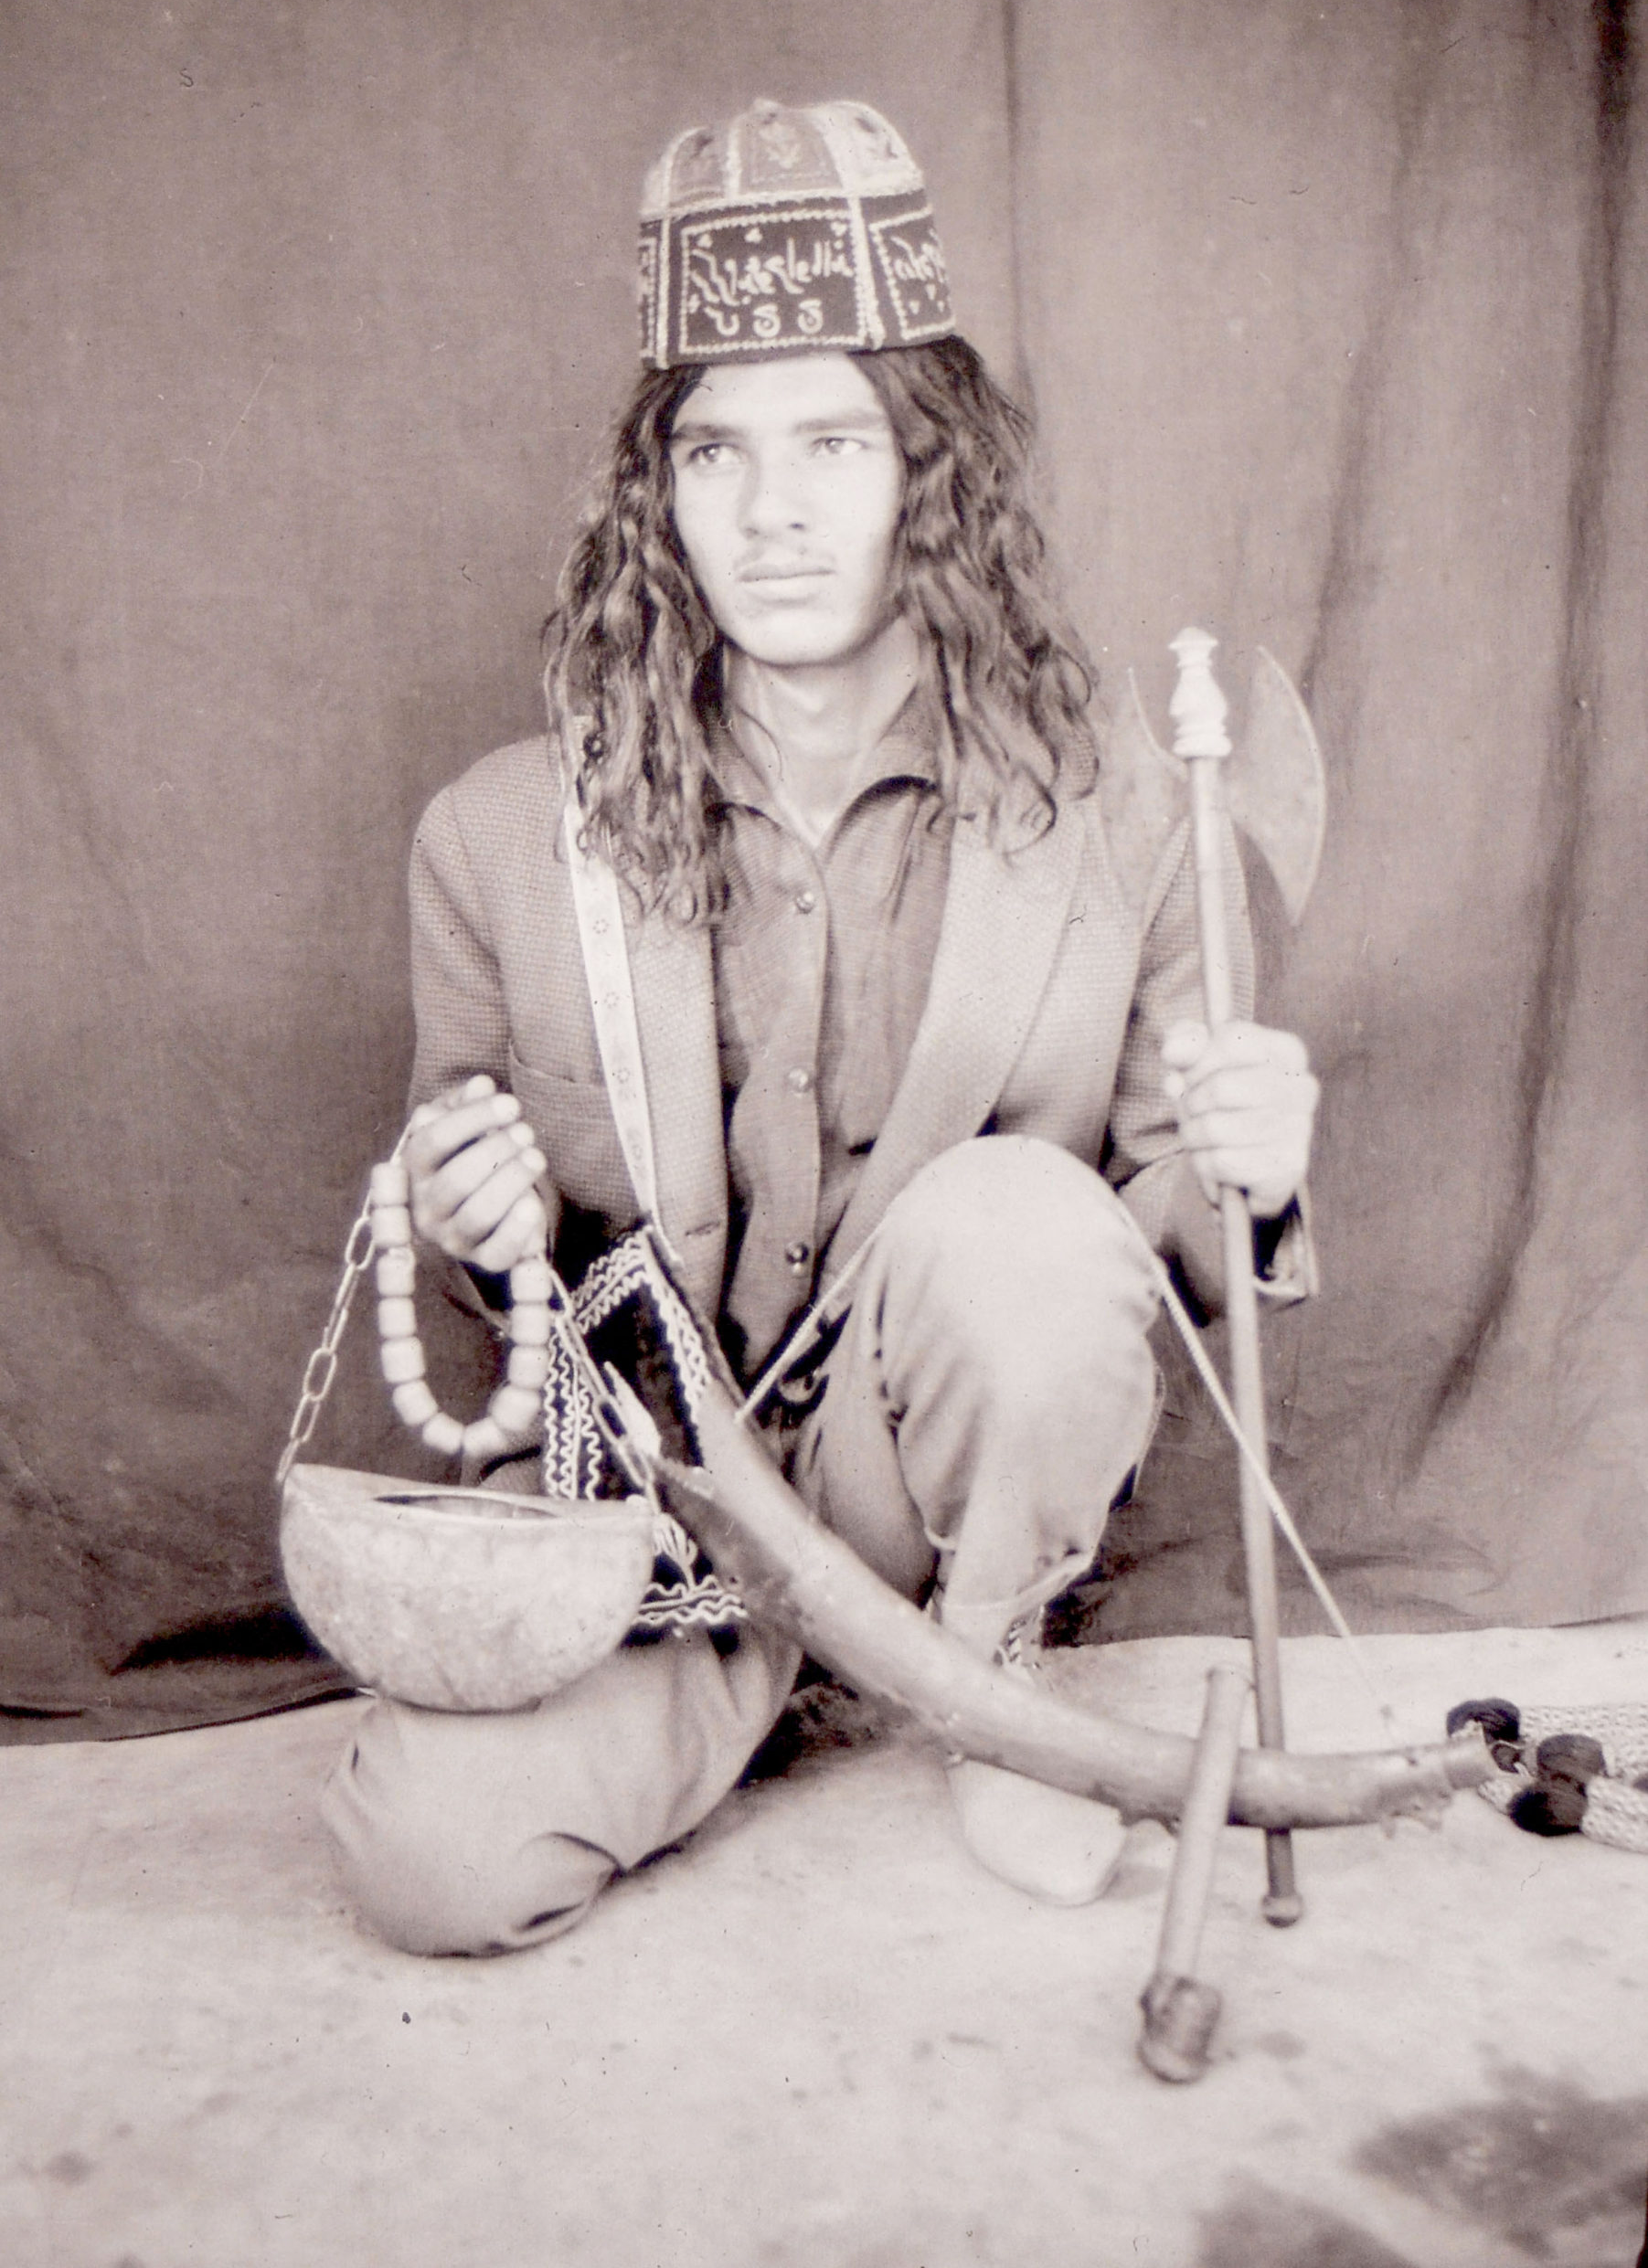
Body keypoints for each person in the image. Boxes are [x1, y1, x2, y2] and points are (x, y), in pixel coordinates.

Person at [322, 99, 1318, 1955]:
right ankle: (767, 1684)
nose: (771, 512)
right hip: (665, 1510)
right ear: (658, 493)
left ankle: (988, 1669)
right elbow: (487, 1300)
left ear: (927, 470)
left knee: (1017, 1220)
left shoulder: (1117, 803)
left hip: (921, 1479)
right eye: (715, 453)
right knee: (428, 1864)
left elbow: (1163, 1243)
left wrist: (1250, 1169)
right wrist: (474, 1222)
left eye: (835, 444)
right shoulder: (496, 837)